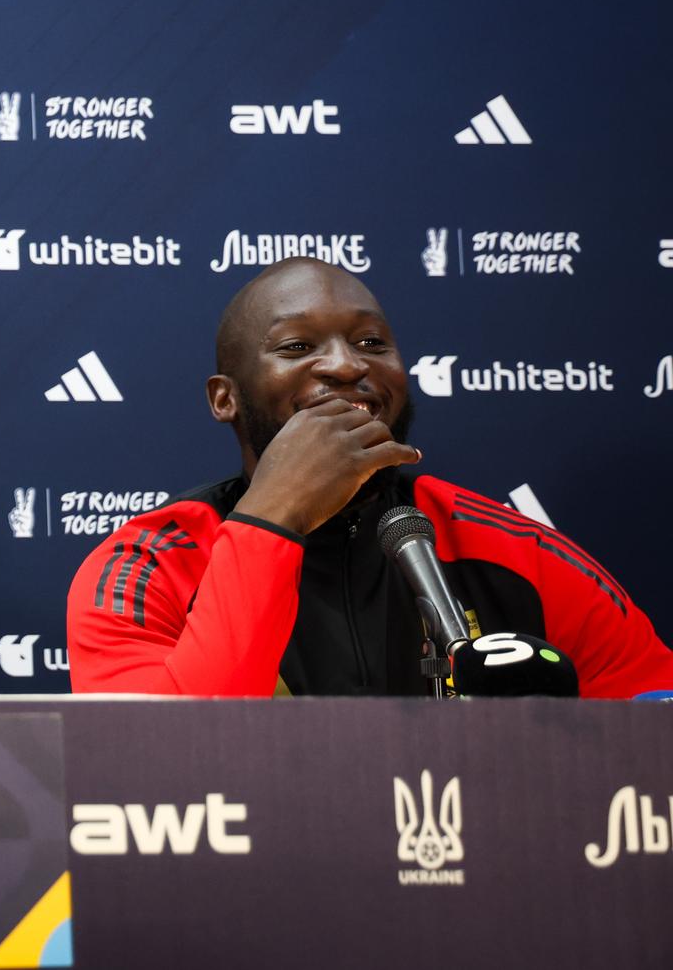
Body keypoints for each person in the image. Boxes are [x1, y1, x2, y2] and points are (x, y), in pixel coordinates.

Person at [67, 257, 673, 697]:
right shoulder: (150, 564)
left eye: (371, 342)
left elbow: (653, 718)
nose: (347, 364)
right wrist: (273, 516)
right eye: (298, 346)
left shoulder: (513, 548)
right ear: (225, 399)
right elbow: (154, 768)